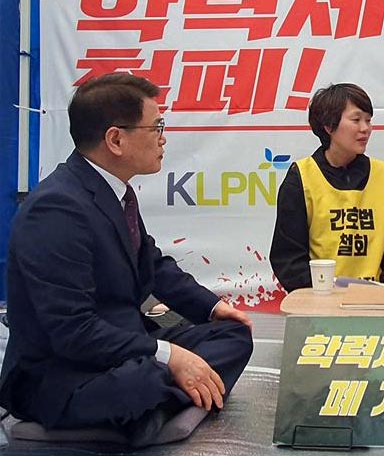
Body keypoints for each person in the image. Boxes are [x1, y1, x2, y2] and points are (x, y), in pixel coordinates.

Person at [0, 73, 253, 446]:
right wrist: (169, 356)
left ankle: (155, 407)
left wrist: (212, 307)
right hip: (63, 371)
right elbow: (74, 333)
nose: (163, 138)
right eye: (156, 127)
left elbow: (153, 265)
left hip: (128, 341)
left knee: (233, 335)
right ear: (115, 139)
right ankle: (161, 401)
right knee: (140, 383)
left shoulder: (113, 192)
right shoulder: (56, 209)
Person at [270, 83, 384, 291]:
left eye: (368, 120)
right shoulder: (301, 178)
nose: (365, 128)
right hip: (320, 300)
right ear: (329, 126)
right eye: (356, 120)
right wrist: (318, 289)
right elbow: (288, 256)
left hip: (377, 298)